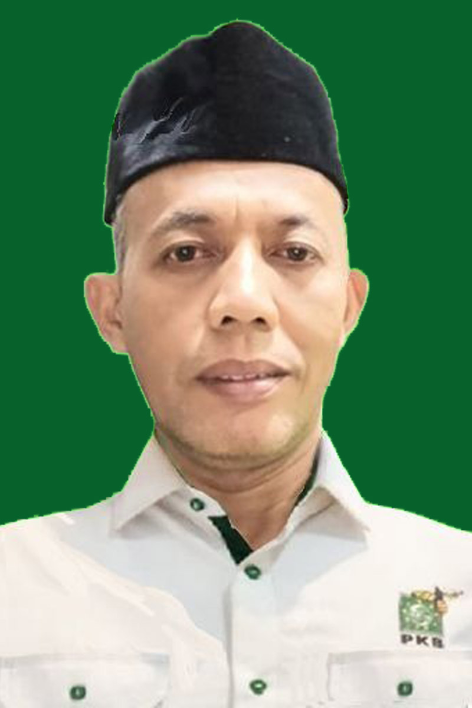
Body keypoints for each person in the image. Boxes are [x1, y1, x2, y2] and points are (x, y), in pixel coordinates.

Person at [2, 19, 472, 708]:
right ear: (112, 311)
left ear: (348, 306)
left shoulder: (457, 586)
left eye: (294, 253)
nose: (244, 303)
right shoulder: (14, 590)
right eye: (187, 252)